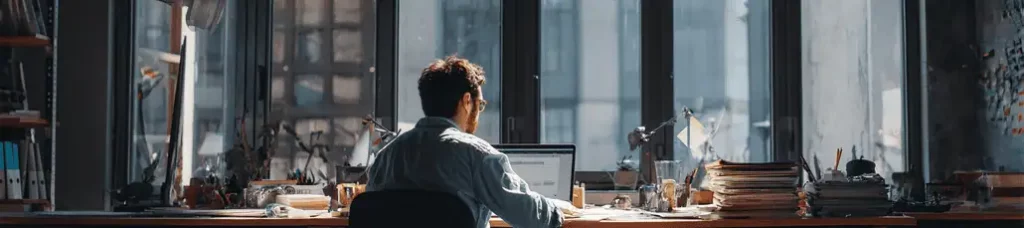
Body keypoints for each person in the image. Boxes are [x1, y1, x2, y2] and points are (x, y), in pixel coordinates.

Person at [366, 56, 576, 228]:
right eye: (480, 104)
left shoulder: (386, 157)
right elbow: (531, 218)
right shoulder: (476, 155)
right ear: (467, 101)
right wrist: (555, 210)